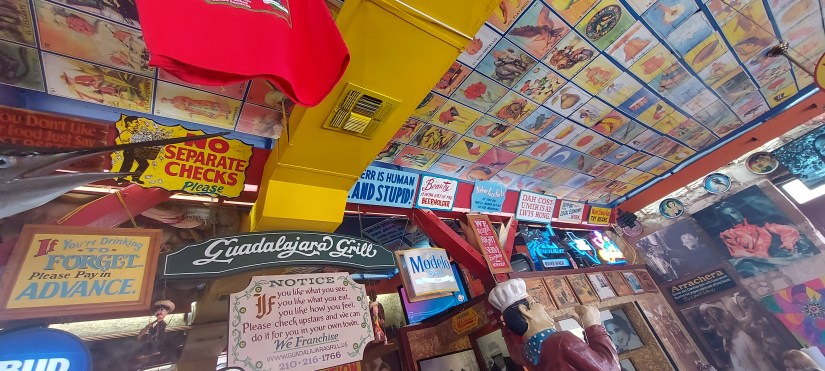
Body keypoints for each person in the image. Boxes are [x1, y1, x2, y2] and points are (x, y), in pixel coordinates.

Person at [488, 278, 620, 370]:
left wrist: (506, 328)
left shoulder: (526, 354)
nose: (543, 306)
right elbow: (609, 368)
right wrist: (593, 327)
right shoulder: (563, 341)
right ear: (526, 311)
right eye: (534, 303)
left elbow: (513, 352)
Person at [699, 302, 771, 371]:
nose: (717, 332)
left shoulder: (741, 338)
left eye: (716, 326)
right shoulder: (726, 339)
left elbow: (761, 361)